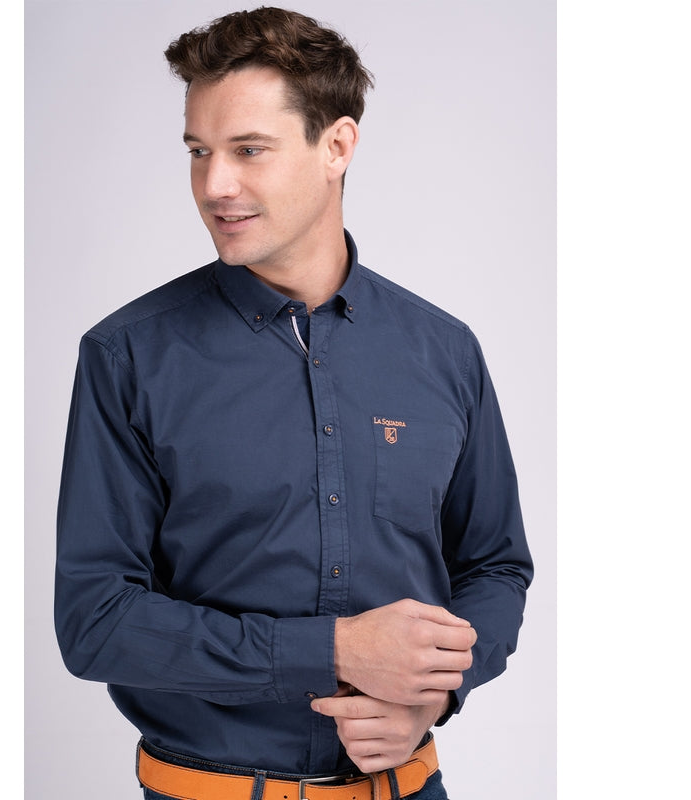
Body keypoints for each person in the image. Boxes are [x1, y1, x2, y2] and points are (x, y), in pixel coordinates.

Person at [55, 7, 533, 799]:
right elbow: (96, 620)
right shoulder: (128, 356)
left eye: (248, 150)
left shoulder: (444, 351)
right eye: (199, 151)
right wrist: (334, 650)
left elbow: (494, 567)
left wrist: (434, 693)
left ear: (336, 146)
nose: (214, 185)